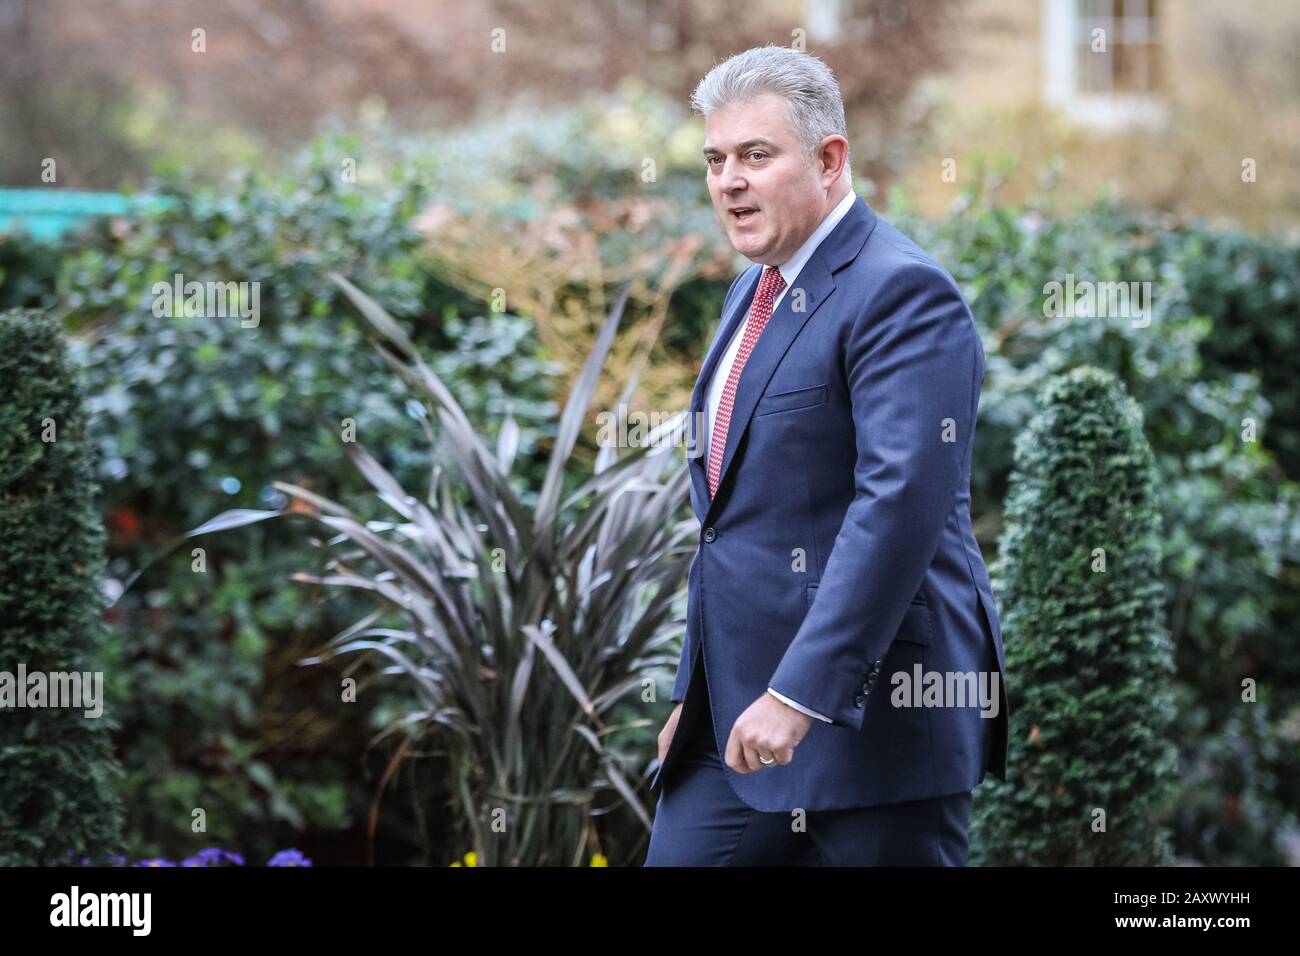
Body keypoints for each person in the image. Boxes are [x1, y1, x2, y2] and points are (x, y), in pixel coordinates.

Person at [643, 45, 1009, 867]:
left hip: (875, 730)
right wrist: (691, 695)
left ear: (830, 159)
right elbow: (730, 525)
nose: (728, 180)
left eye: (755, 156)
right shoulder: (754, 288)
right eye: (715, 160)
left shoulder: (903, 294)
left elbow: (898, 509)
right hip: (734, 726)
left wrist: (799, 691)